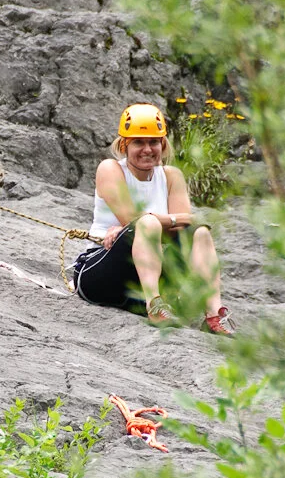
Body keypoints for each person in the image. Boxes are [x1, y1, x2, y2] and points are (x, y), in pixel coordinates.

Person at [71, 103, 234, 335]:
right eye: (138, 142)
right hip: (101, 273)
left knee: (200, 233)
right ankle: (155, 305)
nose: (147, 149)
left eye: (153, 142)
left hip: (141, 280)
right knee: (146, 224)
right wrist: (156, 221)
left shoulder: (171, 176)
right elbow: (134, 218)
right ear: (125, 144)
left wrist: (148, 222)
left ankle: (214, 315)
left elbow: (186, 225)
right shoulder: (110, 169)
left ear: (162, 144)